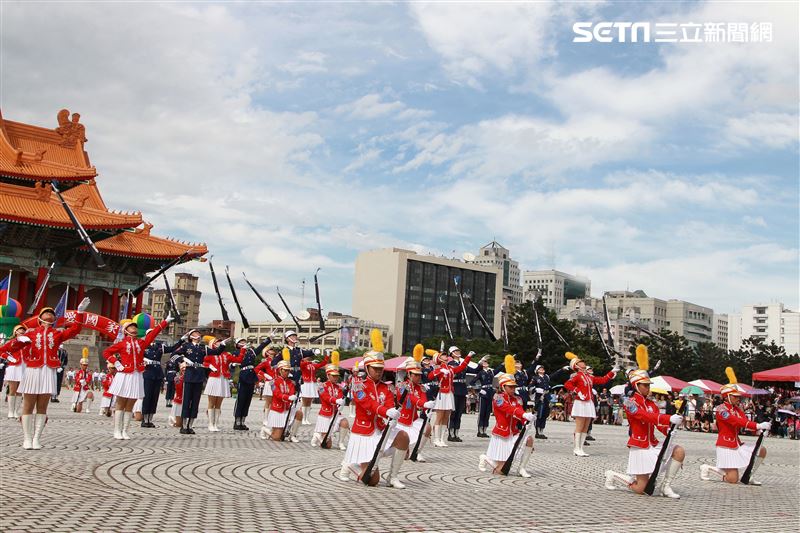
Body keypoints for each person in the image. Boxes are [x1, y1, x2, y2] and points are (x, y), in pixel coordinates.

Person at [604, 347, 685, 498]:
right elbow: (645, 416)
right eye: (645, 385)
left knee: (679, 451)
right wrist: (668, 418)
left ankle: (666, 486)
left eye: (649, 385)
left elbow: (656, 421)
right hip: (640, 446)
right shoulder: (629, 403)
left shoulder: (651, 403)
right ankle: (614, 475)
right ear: (636, 386)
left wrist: (667, 429)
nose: (648, 388)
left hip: (652, 443)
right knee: (641, 488)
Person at [16, 302, 88, 449]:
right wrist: (18, 340)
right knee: (28, 405)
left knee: (42, 406)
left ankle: (36, 438)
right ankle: (27, 438)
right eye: (46, 312)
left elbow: (75, 330)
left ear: (54, 319)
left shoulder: (57, 334)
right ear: (40, 317)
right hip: (32, 370)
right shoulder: (30, 333)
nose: (49, 314)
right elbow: (14, 346)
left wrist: (79, 313)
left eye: (52, 313)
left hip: (48, 370)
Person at [339, 351, 407, 488]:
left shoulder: (387, 387)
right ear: (367, 368)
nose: (379, 371)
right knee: (372, 480)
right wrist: (385, 411)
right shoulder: (358, 385)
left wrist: (392, 414)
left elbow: (389, 404)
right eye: (375, 368)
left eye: (381, 368)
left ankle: (392, 477)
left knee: (403, 437)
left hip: (381, 429)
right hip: (364, 433)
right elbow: (368, 403)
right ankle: (350, 464)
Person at [104, 315, 173, 440]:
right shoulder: (121, 343)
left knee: (130, 403)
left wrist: (165, 321)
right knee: (120, 402)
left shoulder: (141, 342)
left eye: (135, 327)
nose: (134, 329)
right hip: (124, 374)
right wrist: (116, 362)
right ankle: (117, 430)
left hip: (136, 374)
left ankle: (125, 430)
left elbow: (153, 333)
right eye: (131, 327)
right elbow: (106, 352)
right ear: (126, 331)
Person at [700, 367, 770, 485]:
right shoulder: (721, 409)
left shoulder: (737, 408)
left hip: (737, 442)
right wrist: (758, 425)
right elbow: (736, 421)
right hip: (725, 445)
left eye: (738, 396)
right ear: (727, 396)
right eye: (735, 396)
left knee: (761, 450)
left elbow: (744, 421)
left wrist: (762, 429)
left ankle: (749, 475)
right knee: (733, 479)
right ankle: (707, 468)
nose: (738, 398)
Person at [170, 329, 228, 435]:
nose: (198, 335)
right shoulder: (186, 346)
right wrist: (184, 359)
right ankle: (183, 425)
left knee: (195, 402)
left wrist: (222, 345)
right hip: (189, 375)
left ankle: (190, 425)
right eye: (195, 334)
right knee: (187, 401)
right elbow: (173, 355)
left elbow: (217, 352)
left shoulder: (203, 348)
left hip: (199, 376)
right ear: (191, 336)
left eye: (199, 334)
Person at [478, 372, 536, 477]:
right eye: (510, 387)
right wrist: (523, 414)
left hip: (513, 432)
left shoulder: (518, 399)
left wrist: (526, 420)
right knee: (501, 471)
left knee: (529, 439)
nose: (513, 389)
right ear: (503, 387)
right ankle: (486, 458)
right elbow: (508, 409)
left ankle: (521, 468)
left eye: (514, 387)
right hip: (502, 434)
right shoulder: (498, 398)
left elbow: (519, 412)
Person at [563, 352, 617, 457]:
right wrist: (577, 391)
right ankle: (576, 448)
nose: (583, 363)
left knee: (586, 426)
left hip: (588, 402)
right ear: (576, 366)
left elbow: (602, 380)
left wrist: (611, 372)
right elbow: (567, 384)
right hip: (580, 402)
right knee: (579, 426)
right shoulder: (577, 376)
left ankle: (581, 448)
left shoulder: (589, 376)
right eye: (580, 362)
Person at [428, 349, 472, 447]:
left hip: (450, 393)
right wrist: (439, 370)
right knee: (439, 416)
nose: (446, 356)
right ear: (439, 358)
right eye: (443, 356)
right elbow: (430, 376)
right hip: (442, 393)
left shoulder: (451, 368)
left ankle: (442, 439)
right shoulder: (438, 368)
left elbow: (462, 367)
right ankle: (436, 439)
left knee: (446, 416)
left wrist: (468, 356)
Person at [141, 331, 184, 428]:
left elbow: (172, 348)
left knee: (154, 397)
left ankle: (150, 419)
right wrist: (143, 359)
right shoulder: (143, 345)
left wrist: (181, 340)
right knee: (147, 396)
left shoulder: (159, 346)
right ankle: (144, 419)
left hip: (157, 373)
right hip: (148, 372)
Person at [396, 357, 435, 462]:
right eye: (416, 375)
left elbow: (423, 399)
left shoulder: (421, 387)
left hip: (413, 419)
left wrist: (427, 409)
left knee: (427, 427)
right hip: (401, 421)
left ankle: (417, 452)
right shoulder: (401, 386)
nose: (418, 377)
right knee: (402, 454)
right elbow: (410, 398)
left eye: (419, 375)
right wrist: (423, 403)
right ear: (409, 374)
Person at [202, 337, 242, 432]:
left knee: (219, 404)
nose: (220, 343)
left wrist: (243, 349)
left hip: (223, 379)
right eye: (218, 342)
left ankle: (215, 423)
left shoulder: (226, 355)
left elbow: (239, 360)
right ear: (213, 344)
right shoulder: (210, 354)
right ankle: (210, 424)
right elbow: (202, 362)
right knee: (211, 402)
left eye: (221, 341)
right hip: (213, 378)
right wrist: (210, 366)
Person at [233, 336, 271, 431]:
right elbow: (232, 362)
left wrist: (269, 338)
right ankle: (237, 421)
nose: (244, 343)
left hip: (251, 376)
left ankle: (243, 421)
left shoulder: (251, 352)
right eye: (241, 341)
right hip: (243, 375)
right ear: (237, 344)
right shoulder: (236, 352)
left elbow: (261, 347)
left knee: (247, 400)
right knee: (241, 400)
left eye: (244, 341)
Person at [311, 361, 350, 450]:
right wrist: (336, 400)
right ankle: (317, 435)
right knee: (327, 446)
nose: (336, 378)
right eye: (333, 376)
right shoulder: (321, 386)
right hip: (325, 415)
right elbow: (325, 397)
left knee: (345, 422)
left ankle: (340, 443)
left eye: (337, 376)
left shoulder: (339, 387)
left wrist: (341, 401)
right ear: (328, 375)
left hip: (335, 413)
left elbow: (340, 397)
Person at [447, 347, 483, 442]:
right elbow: (458, 371)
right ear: (451, 354)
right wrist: (468, 358)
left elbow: (475, 371)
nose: (458, 352)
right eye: (456, 351)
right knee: (453, 413)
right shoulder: (451, 364)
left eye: (459, 350)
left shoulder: (463, 364)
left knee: (459, 413)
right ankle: (451, 434)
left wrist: (480, 363)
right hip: (455, 388)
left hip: (462, 389)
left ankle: (456, 433)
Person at [266, 359, 302, 441]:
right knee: (277, 438)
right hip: (277, 409)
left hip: (287, 408)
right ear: (280, 370)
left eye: (288, 370)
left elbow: (292, 392)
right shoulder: (274, 382)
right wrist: (287, 397)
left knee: (299, 413)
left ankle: (293, 435)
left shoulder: (291, 382)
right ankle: (266, 430)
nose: (287, 372)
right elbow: (277, 394)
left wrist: (293, 396)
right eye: (285, 370)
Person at [530, 364, 565, 439]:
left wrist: (561, 369)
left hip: (546, 397)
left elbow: (554, 374)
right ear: (537, 370)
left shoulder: (546, 377)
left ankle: (542, 431)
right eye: (540, 368)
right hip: (540, 398)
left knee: (545, 414)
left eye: (543, 368)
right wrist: (536, 389)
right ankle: (537, 431)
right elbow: (530, 387)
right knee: (539, 414)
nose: (542, 369)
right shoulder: (535, 378)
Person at [1, 324, 28, 419]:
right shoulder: (11, 342)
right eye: (20, 330)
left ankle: (16, 411)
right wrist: (8, 357)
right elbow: (1, 351)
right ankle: (10, 411)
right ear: (15, 332)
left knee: (20, 390)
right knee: (12, 389)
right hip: (14, 366)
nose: (22, 332)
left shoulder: (27, 342)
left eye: (23, 330)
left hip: (24, 366)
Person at [299, 348, 329, 425]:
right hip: (305, 383)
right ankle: (302, 418)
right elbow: (302, 364)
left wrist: (327, 356)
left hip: (312, 383)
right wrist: (309, 361)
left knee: (309, 401)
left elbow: (323, 364)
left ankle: (306, 418)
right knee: (304, 401)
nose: (308, 357)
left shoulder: (313, 365)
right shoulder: (302, 363)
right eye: (307, 356)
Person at [255, 345, 279, 439]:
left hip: (277, 382)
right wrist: (265, 375)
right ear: (267, 352)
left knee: (275, 402)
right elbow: (256, 369)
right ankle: (266, 419)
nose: (273, 351)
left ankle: (271, 418)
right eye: (271, 350)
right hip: (269, 382)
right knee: (268, 402)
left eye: (273, 350)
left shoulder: (278, 361)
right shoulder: (266, 361)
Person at [472, 358, 496, 438]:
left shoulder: (491, 372)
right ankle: (480, 430)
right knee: (482, 412)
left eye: (486, 362)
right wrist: (479, 390)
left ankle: (485, 429)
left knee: (487, 412)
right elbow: (472, 382)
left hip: (490, 393)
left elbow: (499, 369)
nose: (485, 363)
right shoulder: (480, 373)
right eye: (484, 362)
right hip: (483, 393)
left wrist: (504, 363)